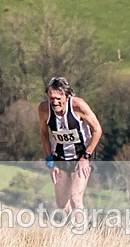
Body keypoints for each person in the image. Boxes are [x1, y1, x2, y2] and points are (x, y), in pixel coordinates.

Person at [38, 76, 103, 218]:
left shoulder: (78, 106)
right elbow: (43, 133)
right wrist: (49, 159)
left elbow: (97, 130)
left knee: (75, 198)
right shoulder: (44, 109)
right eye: (51, 98)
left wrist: (86, 156)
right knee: (61, 204)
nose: (55, 102)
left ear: (67, 96)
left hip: (80, 158)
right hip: (60, 158)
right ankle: (71, 229)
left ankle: (82, 235)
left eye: (58, 98)